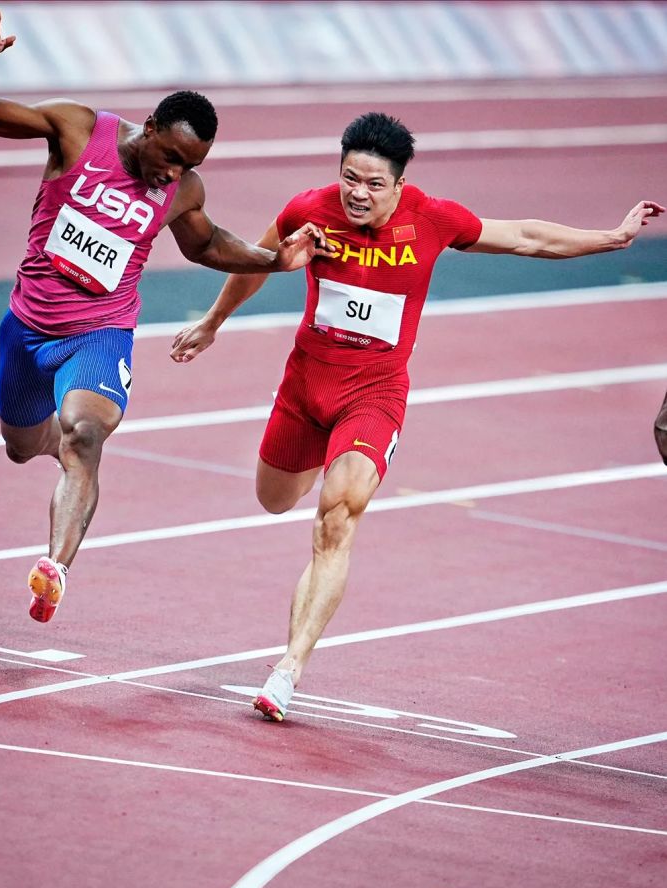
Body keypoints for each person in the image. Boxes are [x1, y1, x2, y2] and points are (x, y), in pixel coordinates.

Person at [170, 110, 664, 722]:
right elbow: (256, 260)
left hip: (373, 396)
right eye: (350, 177)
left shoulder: (431, 219)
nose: (357, 192)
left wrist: (610, 238)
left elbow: (526, 236)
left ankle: (288, 669)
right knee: (274, 499)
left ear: (399, 186)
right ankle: (321, 461)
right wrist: (212, 324)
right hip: (304, 388)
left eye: (374, 184)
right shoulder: (309, 209)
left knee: (337, 517)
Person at [0, 2, 332, 624]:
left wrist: (273, 260)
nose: (173, 173)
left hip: (102, 330)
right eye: (170, 156)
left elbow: (205, 244)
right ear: (149, 126)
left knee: (86, 432)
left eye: (189, 166)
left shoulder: (181, 190)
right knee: (22, 447)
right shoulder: (77, 130)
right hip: (28, 324)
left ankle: (54, 568)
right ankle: (54, 445)